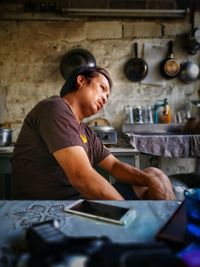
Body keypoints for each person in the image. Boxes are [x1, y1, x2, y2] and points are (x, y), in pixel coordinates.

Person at [11, 66, 175, 200]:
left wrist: (150, 181)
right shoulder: (55, 108)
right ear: (81, 80)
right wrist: (126, 211)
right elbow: (81, 177)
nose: (104, 98)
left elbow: (114, 166)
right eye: (102, 88)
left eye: (107, 96)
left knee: (155, 175)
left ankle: (169, 233)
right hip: (54, 205)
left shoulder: (86, 131)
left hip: (80, 200)